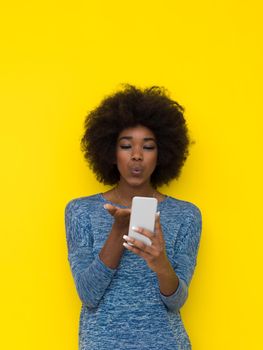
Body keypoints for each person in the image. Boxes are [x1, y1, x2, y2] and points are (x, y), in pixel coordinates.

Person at [64, 85, 202, 350]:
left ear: (161, 154)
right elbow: (89, 295)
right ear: (110, 152)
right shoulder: (80, 211)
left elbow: (176, 302)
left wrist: (159, 261)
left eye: (147, 147)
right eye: (126, 145)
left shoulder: (186, 215)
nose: (137, 155)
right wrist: (118, 231)